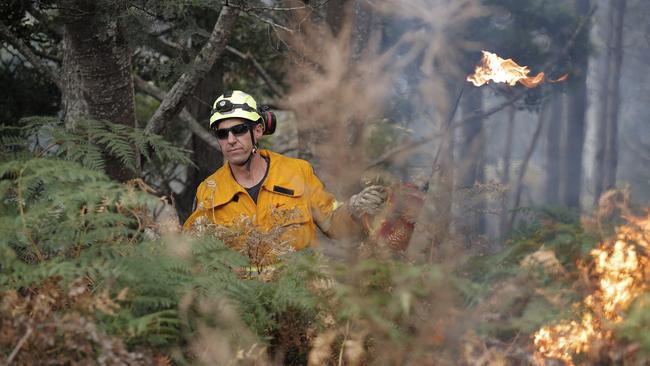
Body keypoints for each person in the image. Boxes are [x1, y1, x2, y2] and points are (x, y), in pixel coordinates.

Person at [183, 90, 386, 251]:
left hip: (300, 296)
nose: (231, 140)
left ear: (258, 130)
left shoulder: (297, 172)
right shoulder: (209, 190)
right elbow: (191, 250)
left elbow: (333, 224)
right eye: (222, 133)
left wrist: (354, 209)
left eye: (239, 130)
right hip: (241, 300)